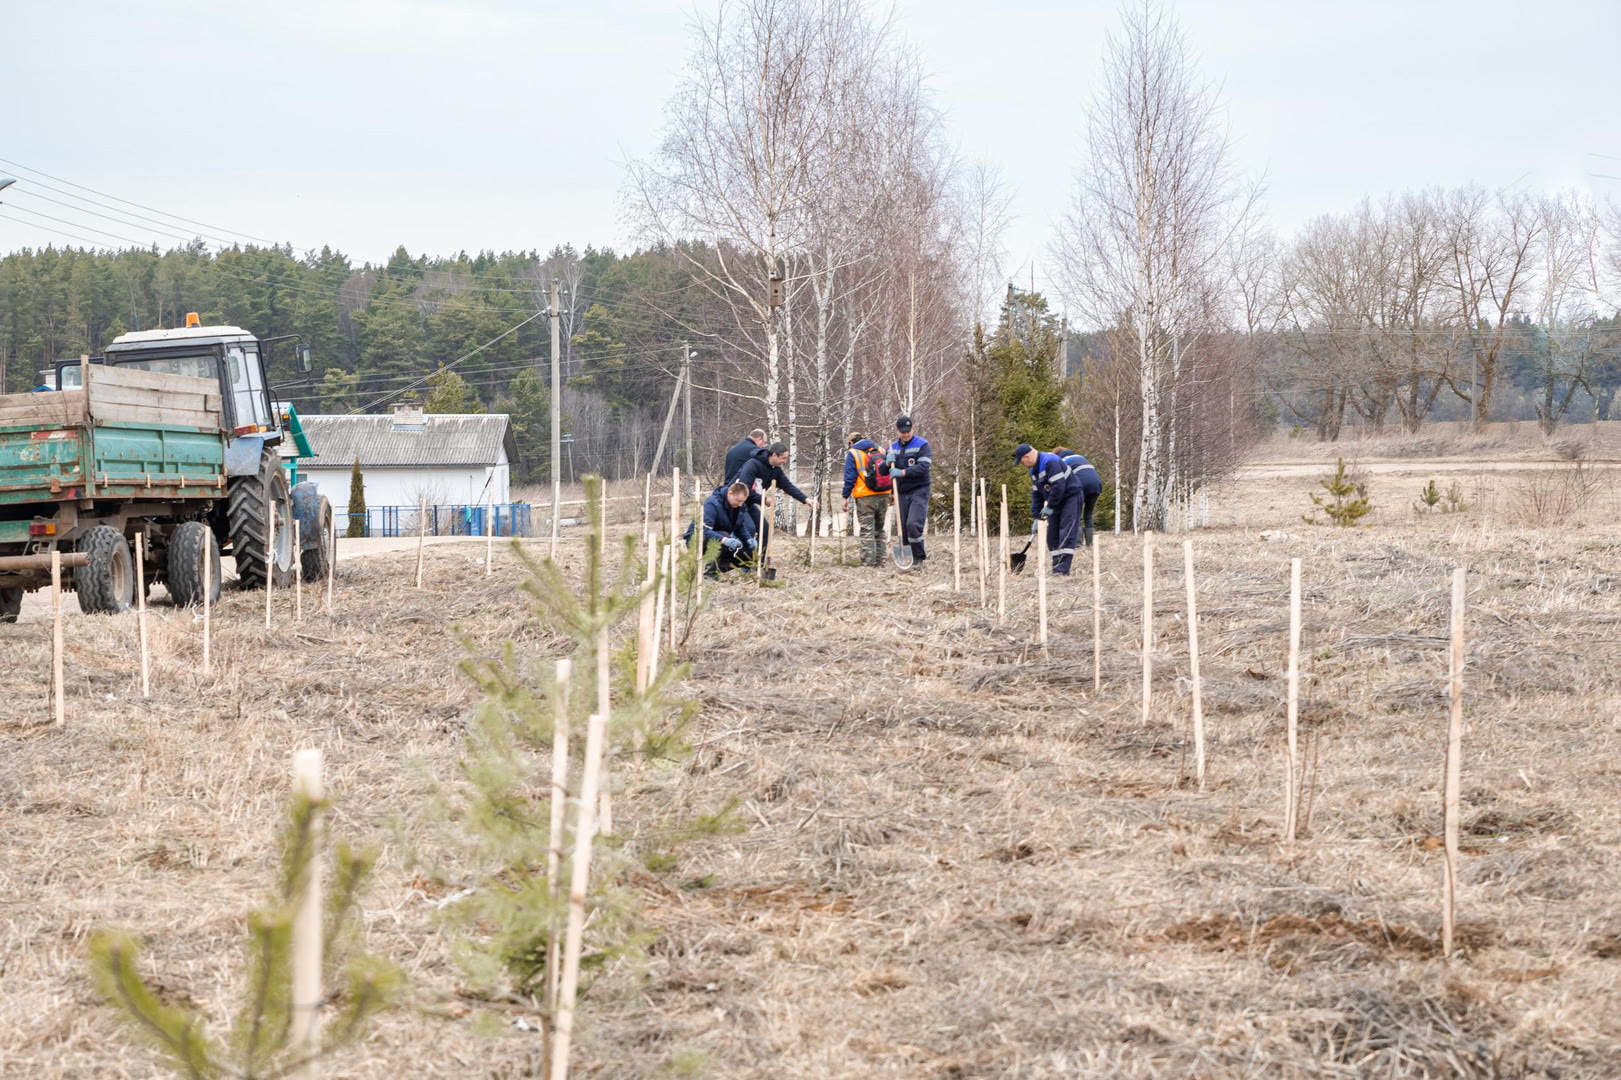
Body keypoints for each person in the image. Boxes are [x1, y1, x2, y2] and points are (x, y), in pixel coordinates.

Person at [734, 440, 816, 559]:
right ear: (774, 455)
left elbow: (787, 486)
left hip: (749, 504)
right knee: (749, 529)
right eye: (783, 458)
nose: (785, 461)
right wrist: (763, 499)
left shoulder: (775, 470)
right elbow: (744, 488)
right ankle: (739, 561)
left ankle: (759, 563)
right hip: (736, 502)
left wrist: (805, 499)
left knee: (765, 529)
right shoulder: (752, 465)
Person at [1017, 442, 1081, 574]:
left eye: (1022, 462)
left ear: (1027, 457)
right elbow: (1037, 494)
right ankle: (1056, 566)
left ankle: (1062, 570)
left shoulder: (1050, 461)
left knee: (1066, 532)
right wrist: (1036, 516)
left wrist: (1050, 506)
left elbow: (1059, 486)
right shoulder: (1033, 471)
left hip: (1070, 497)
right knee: (1052, 535)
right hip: (1056, 501)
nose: (1022, 465)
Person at [840, 431, 889, 567]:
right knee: (879, 529)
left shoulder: (853, 453)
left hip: (865, 497)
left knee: (867, 530)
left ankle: (868, 564)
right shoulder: (881, 450)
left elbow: (850, 478)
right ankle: (881, 562)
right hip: (884, 493)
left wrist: (845, 497)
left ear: (851, 442)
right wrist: (891, 493)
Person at [888, 415, 932, 565]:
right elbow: (882, 471)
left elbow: (924, 467)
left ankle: (918, 557)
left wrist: (903, 472)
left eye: (908, 431)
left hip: (919, 490)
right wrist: (886, 463)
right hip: (901, 491)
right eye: (903, 432)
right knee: (904, 527)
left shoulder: (922, 445)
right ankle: (907, 555)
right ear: (897, 431)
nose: (906, 434)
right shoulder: (892, 447)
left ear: (913, 429)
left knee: (913, 524)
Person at [696, 481, 756, 577]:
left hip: (723, 540)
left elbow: (740, 527)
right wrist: (725, 540)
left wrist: (748, 538)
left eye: (743, 501)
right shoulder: (712, 504)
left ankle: (720, 566)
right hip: (699, 540)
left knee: (747, 552)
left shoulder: (738, 507)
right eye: (739, 500)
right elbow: (703, 530)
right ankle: (710, 573)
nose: (741, 504)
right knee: (724, 535)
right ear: (730, 493)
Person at [1053, 447, 1104, 547]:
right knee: (1088, 515)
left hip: (1081, 485)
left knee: (1076, 515)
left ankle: (1077, 544)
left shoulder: (1062, 460)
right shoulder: (1080, 457)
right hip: (1096, 485)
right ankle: (1090, 544)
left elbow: (1059, 479)